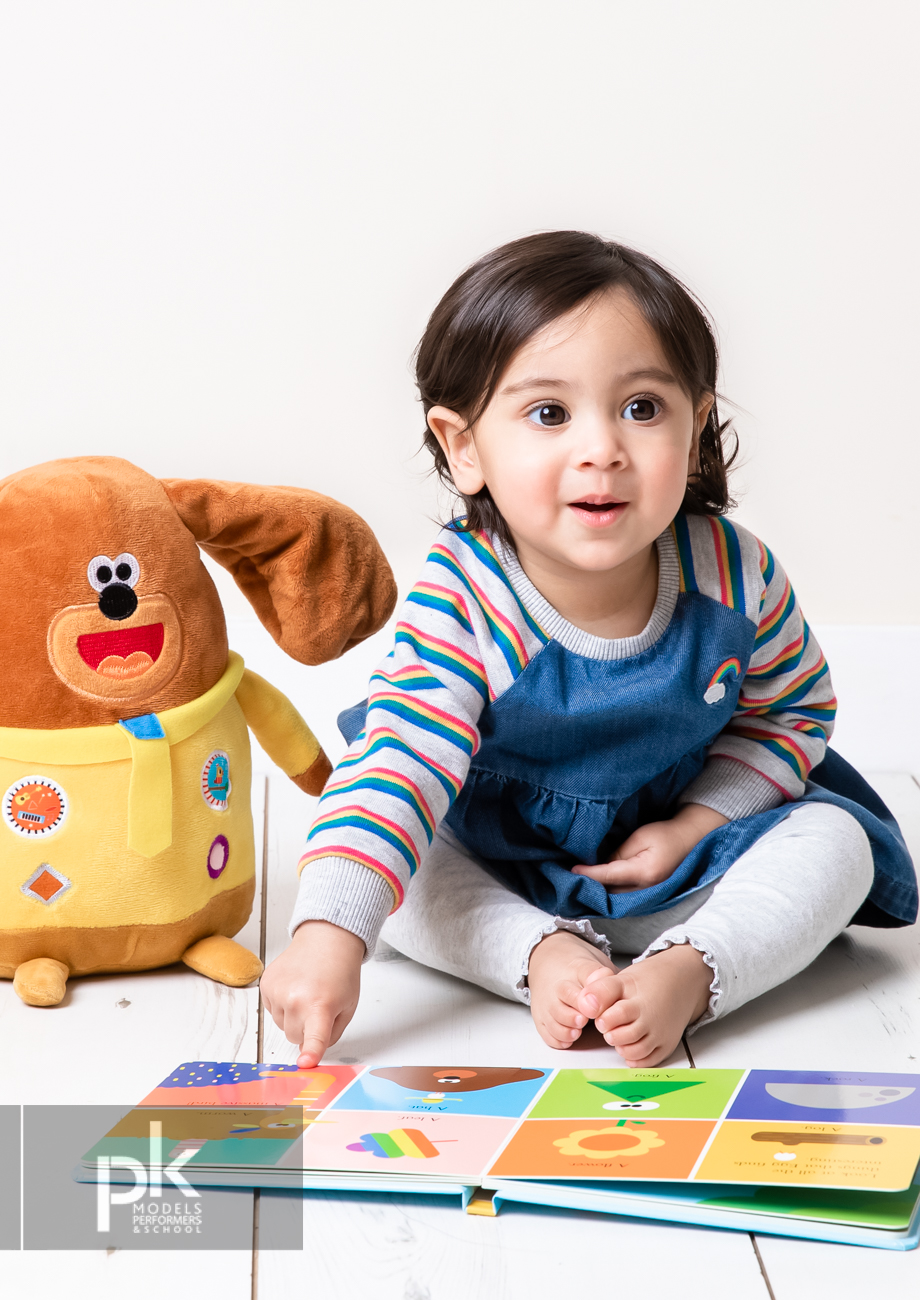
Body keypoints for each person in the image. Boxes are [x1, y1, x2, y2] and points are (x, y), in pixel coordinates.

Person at [261, 231, 916, 1069]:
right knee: (399, 871)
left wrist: (696, 824)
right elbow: (403, 761)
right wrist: (326, 935)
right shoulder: (465, 594)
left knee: (838, 842)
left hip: (677, 868)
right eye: (549, 414)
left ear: (696, 428)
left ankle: (692, 969)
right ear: (464, 447)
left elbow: (790, 716)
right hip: (497, 865)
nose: (602, 449)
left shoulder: (734, 575)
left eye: (642, 409)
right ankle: (542, 955)